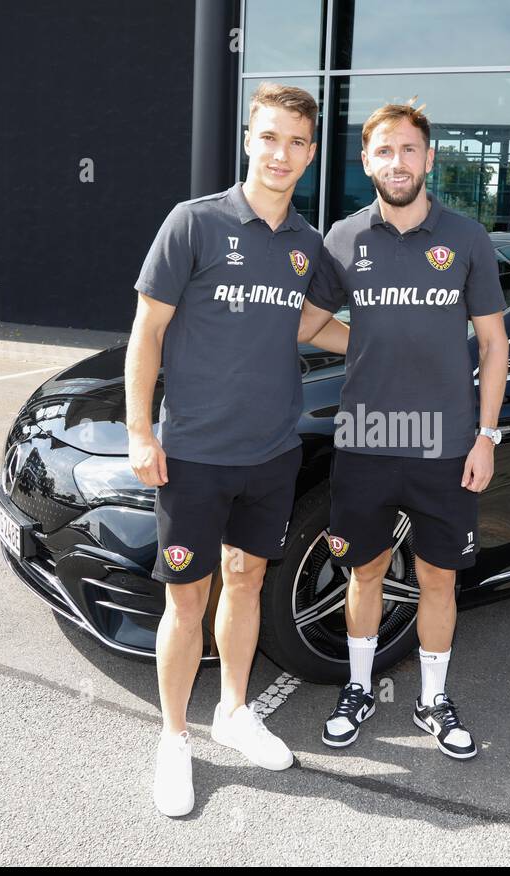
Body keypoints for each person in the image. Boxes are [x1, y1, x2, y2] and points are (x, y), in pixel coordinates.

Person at [127, 83, 348, 816]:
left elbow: (308, 329)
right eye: (270, 138)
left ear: (311, 154)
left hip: (272, 454)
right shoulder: (193, 224)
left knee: (246, 581)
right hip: (192, 455)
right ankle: (174, 738)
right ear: (249, 140)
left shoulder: (307, 246)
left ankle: (233, 710)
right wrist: (139, 431)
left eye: (296, 142)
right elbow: (147, 333)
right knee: (185, 603)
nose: (281, 154)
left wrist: (394, 344)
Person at [300, 99, 508, 759]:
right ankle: (359, 689)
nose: (397, 162)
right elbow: (306, 323)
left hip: (446, 447)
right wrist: (361, 340)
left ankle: (432, 702)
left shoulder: (468, 238)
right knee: (365, 573)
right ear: (367, 162)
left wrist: (486, 436)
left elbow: (495, 346)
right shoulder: (343, 238)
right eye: (384, 151)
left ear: (428, 157)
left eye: (409, 149)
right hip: (365, 440)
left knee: (438, 579)